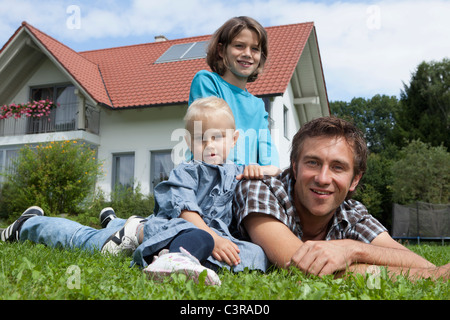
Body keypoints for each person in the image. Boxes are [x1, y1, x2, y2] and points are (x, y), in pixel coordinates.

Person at [1, 97, 279, 285]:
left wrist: (260, 169)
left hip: (203, 237)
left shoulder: (236, 171)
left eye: (217, 137)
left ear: (233, 140)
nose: (209, 145)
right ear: (188, 141)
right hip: (175, 231)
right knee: (84, 239)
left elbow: (278, 172)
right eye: (199, 138)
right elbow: (185, 209)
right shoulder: (188, 170)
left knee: (256, 253)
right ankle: (28, 224)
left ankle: (122, 225)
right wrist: (212, 239)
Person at [233, 116, 449, 280]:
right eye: (313, 163)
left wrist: (352, 249)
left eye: (338, 167)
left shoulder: (352, 212)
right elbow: (301, 266)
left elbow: (419, 262)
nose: (323, 178)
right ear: (295, 168)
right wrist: (431, 276)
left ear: (354, 180)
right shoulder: (258, 188)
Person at [189, 16, 279, 167]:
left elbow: (270, 157)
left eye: (255, 49)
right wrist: (246, 172)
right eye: (239, 46)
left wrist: (267, 169)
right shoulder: (207, 82)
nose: (248, 54)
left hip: (245, 184)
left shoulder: (258, 105)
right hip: (212, 178)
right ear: (221, 51)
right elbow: (212, 142)